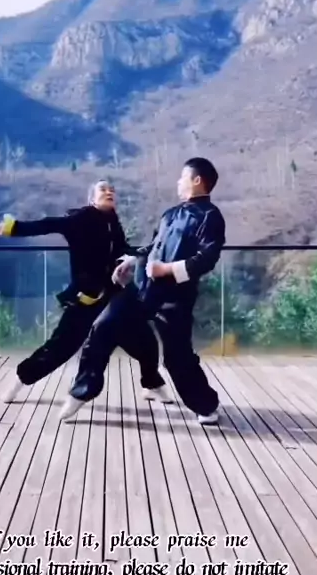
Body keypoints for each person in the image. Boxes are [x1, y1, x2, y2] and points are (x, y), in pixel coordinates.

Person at [60, 158, 225, 425]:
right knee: (103, 326)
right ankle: (81, 392)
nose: (178, 182)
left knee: (177, 358)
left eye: (182, 177)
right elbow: (153, 247)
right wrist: (131, 260)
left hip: (175, 299)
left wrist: (167, 269)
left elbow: (208, 258)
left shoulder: (210, 217)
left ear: (197, 180)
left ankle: (206, 406)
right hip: (142, 290)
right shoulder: (170, 214)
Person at [0, 179, 170, 410]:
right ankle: (20, 380)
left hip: (113, 297)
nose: (109, 192)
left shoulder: (112, 222)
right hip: (85, 299)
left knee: (144, 340)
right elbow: (49, 224)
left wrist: (138, 255)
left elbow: (120, 250)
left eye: (112, 190)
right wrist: (14, 228)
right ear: (92, 198)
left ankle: (151, 384)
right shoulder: (81, 219)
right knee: (60, 348)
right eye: (103, 189)